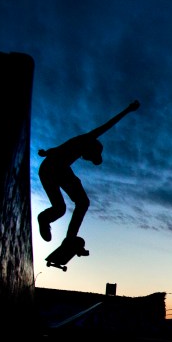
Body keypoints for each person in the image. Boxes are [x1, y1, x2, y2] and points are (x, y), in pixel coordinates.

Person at [36, 99, 140, 243]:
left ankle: (44, 218)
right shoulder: (88, 139)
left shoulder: (75, 143)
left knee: (60, 209)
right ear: (91, 149)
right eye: (89, 157)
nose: (85, 159)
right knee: (83, 202)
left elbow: (60, 148)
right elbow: (107, 126)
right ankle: (70, 238)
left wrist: (46, 152)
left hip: (46, 170)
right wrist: (128, 110)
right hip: (57, 170)